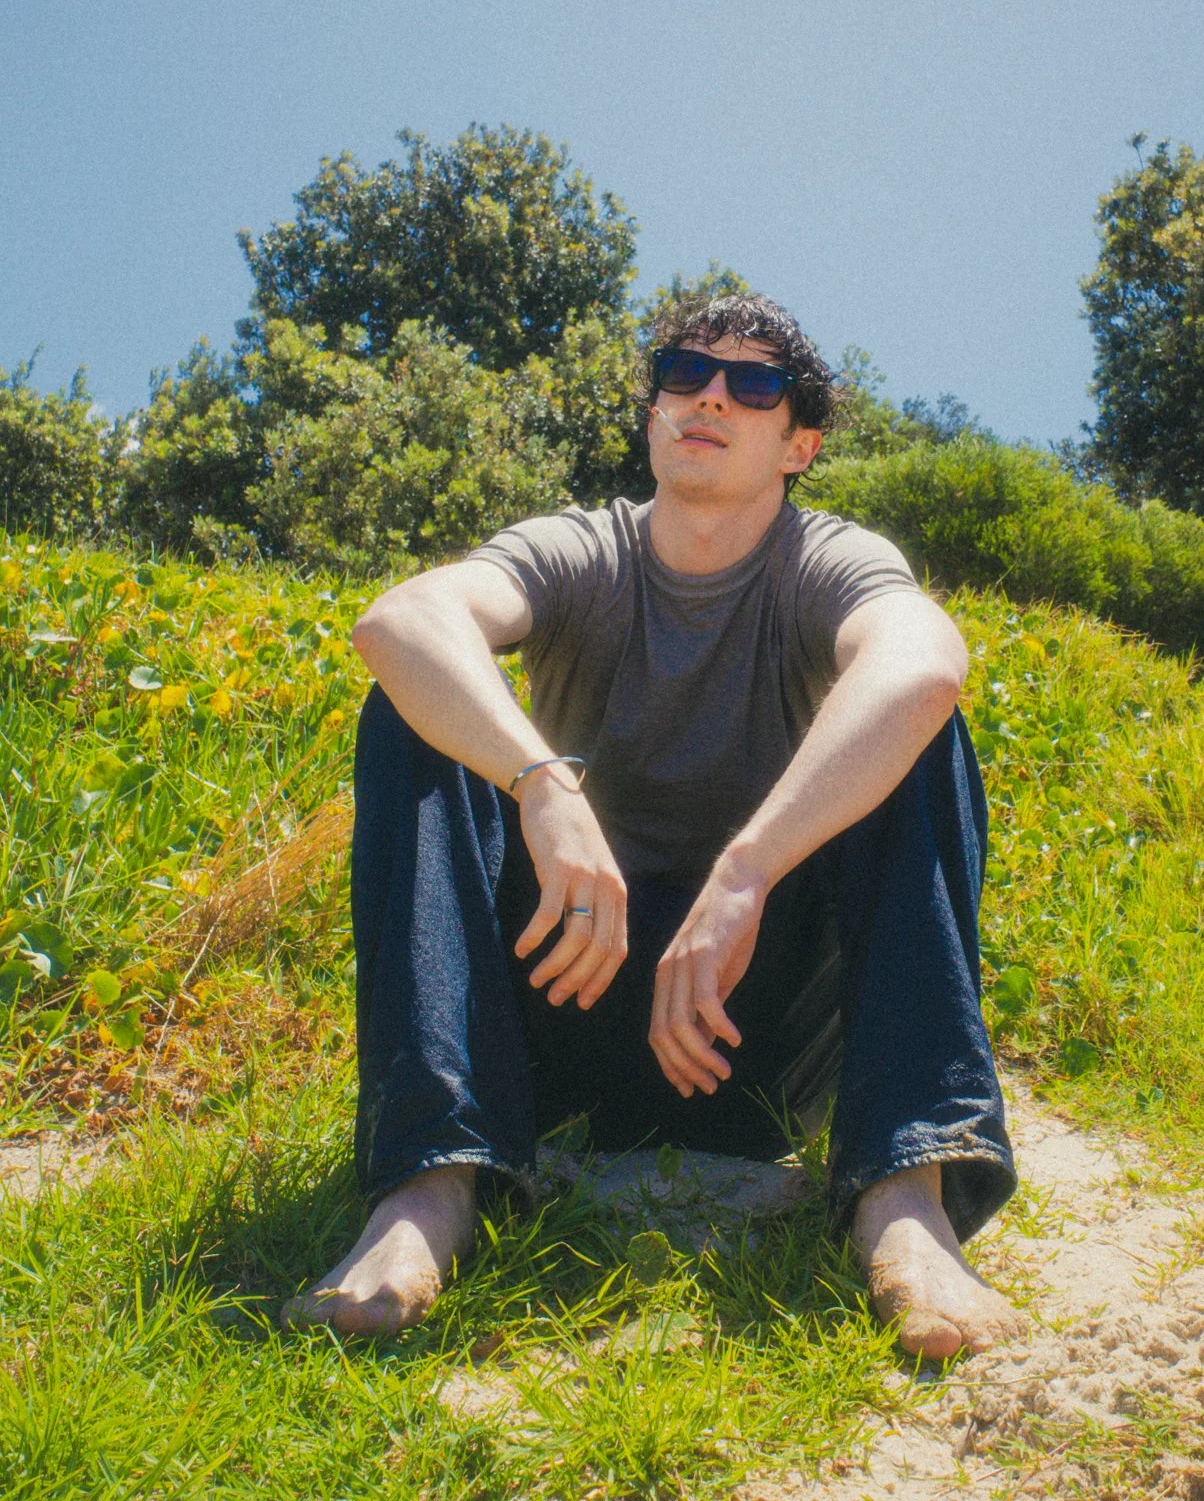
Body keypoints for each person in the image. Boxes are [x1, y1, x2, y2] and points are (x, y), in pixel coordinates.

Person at [285, 294, 1020, 1359]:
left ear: (798, 442)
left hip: (752, 1021)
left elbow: (922, 660)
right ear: (653, 413)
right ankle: (431, 1184)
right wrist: (542, 782)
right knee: (412, 709)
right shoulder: (582, 549)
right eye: (684, 371)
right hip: (570, 984)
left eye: (753, 381)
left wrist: (745, 873)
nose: (710, 393)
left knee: (918, 732)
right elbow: (403, 620)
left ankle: (903, 1196)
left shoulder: (826, 559)